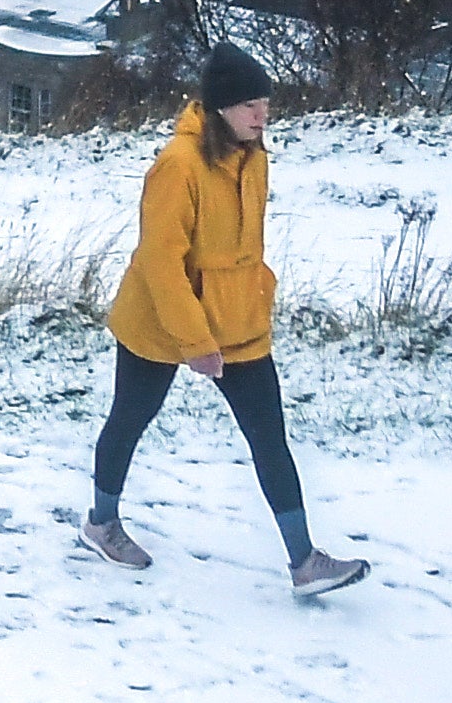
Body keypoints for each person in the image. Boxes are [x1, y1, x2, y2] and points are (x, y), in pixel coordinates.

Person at [80, 41, 368, 595]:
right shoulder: (177, 167)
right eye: (250, 107)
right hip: (160, 321)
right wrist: (195, 340)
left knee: (269, 437)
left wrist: (252, 303)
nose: (263, 117)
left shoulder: (253, 156)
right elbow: (159, 262)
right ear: (219, 110)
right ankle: (101, 523)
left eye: (265, 105)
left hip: (238, 323)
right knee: (130, 419)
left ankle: (304, 561)